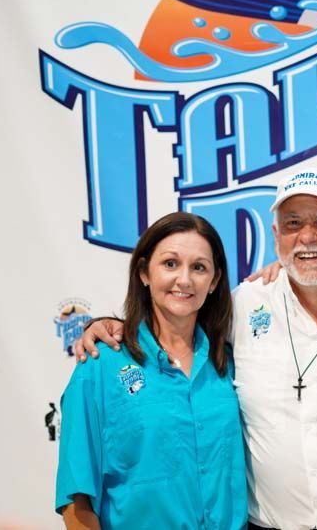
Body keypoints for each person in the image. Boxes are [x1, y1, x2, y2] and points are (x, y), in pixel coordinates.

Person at [74, 168, 317, 530]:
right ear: (276, 237)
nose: (307, 237)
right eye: (293, 224)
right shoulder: (243, 306)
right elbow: (171, 320)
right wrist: (110, 325)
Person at [56, 212, 247, 529]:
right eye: (170, 263)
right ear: (144, 272)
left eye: (199, 267)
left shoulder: (230, 362)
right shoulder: (100, 365)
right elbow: (76, 500)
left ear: (214, 281)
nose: (184, 280)